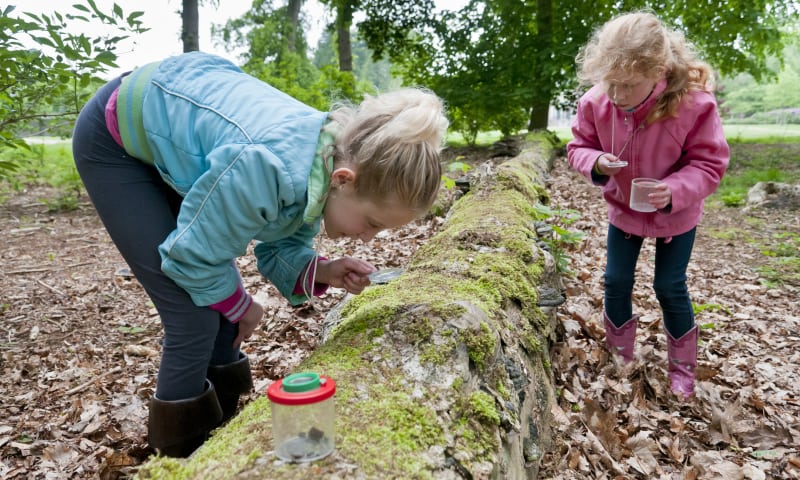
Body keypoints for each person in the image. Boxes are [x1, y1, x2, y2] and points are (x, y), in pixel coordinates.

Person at [72, 51, 449, 457]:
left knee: (214, 308)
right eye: (372, 222)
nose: (369, 238)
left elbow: (281, 243)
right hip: (116, 135)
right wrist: (240, 305)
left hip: (178, 129)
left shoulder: (323, 163)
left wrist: (325, 271)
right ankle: (180, 458)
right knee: (193, 315)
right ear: (344, 179)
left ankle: (221, 433)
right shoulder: (269, 167)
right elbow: (192, 258)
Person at [567, 12, 729, 400]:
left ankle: (683, 370)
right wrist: (596, 163)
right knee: (616, 280)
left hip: (676, 214)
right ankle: (620, 356)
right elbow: (577, 148)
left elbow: (710, 163)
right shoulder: (596, 102)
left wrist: (675, 189)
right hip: (624, 209)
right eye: (611, 84)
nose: (618, 95)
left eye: (628, 85)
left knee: (669, 285)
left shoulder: (694, 105)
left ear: (658, 71)